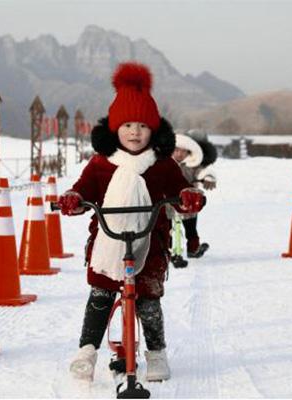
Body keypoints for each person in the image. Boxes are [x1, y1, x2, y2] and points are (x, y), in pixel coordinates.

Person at [57, 61, 205, 382]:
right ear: (114, 128)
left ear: (153, 130)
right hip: (108, 241)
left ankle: (156, 353)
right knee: (100, 295)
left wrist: (188, 196)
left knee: (148, 299)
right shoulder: (101, 163)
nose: (134, 132)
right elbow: (84, 190)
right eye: (127, 125)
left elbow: (180, 189)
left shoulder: (161, 164)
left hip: (149, 241)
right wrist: (73, 198)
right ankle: (86, 351)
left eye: (142, 125)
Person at [171, 130, 218, 258]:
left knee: (191, 229)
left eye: (183, 151)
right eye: (176, 150)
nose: (179, 154)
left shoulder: (193, 165)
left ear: (189, 153)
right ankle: (167, 249)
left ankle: (193, 248)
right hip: (169, 201)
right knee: (166, 228)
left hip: (189, 201)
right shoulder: (166, 164)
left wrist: (207, 177)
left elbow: (202, 172)